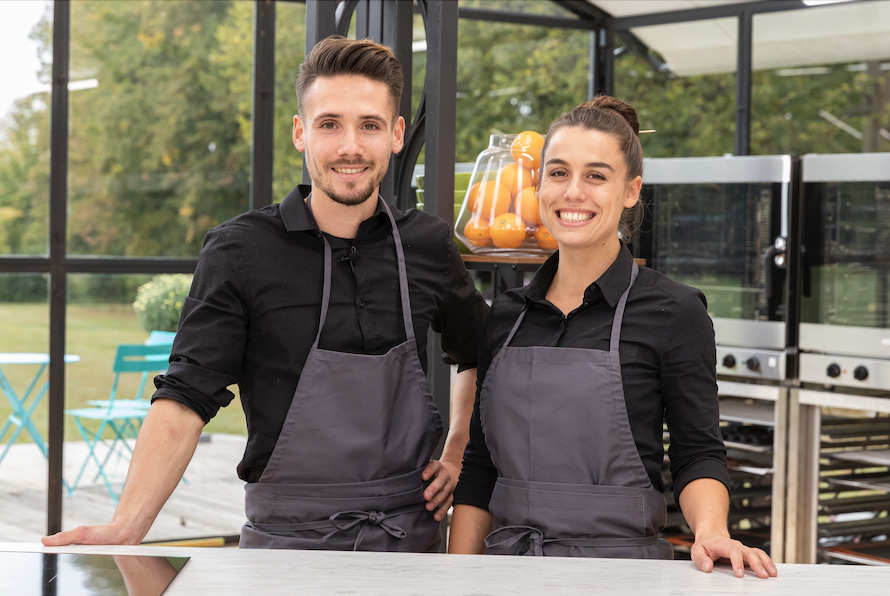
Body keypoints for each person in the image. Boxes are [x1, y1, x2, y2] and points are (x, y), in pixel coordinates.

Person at [43, 36, 488, 552]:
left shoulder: (428, 244)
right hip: (285, 549)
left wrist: (457, 450)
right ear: (300, 133)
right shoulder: (241, 249)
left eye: (369, 125)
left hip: (413, 548)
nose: (349, 146)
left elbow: (479, 353)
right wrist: (126, 528)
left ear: (395, 135)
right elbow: (186, 398)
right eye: (329, 124)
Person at [447, 96, 777, 579]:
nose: (573, 192)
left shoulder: (673, 310)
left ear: (630, 190)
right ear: (539, 184)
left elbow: (697, 452)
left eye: (596, 176)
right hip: (507, 573)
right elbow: (480, 468)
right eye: (558, 173)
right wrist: (455, 578)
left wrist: (711, 531)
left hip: (624, 575)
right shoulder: (506, 316)